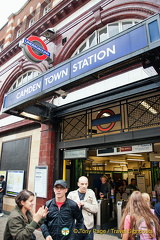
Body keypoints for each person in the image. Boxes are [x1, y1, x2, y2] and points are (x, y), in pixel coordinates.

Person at [67, 176, 98, 240]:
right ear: (78, 184)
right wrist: (75, 207)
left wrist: (84, 204)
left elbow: (95, 209)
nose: (84, 186)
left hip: (88, 226)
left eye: (86, 184)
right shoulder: (71, 195)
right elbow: (66, 211)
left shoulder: (91, 193)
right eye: (82, 184)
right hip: (75, 227)